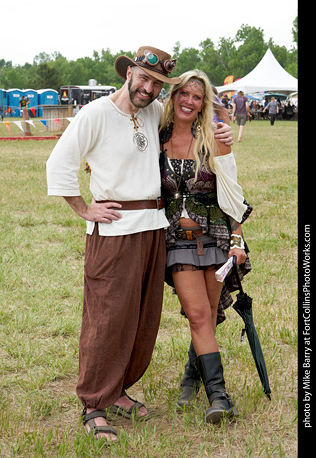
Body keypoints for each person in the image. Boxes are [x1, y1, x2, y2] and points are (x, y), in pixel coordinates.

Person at [46, 46, 234, 441]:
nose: (148, 88)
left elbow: (192, 123)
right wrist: (83, 208)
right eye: (143, 79)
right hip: (114, 231)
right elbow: (59, 163)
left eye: (156, 84)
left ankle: (118, 391)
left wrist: (223, 132)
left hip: (154, 228)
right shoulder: (95, 113)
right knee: (107, 317)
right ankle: (94, 402)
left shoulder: (152, 114)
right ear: (129, 72)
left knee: (141, 318)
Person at [159, 69, 252, 424]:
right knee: (198, 314)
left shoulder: (216, 138)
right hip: (177, 243)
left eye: (197, 97)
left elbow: (232, 192)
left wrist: (237, 240)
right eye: (184, 93)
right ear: (174, 96)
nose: (189, 101)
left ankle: (190, 378)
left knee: (208, 318)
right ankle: (220, 396)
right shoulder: (158, 138)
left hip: (215, 239)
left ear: (203, 104)